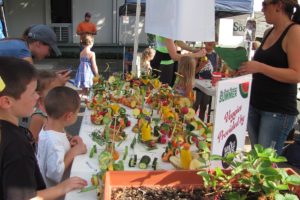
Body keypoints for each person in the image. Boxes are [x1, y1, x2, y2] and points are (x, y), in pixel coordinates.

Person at [0, 57, 87, 200]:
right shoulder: (16, 145)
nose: (38, 97)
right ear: (7, 102)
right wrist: (62, 187)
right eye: (33, 92)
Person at [238, 0, 300, 155]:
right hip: (256, 105)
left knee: (264, 164)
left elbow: (296, 74)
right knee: (256, 159)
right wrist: (246, 68)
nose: (262, 8)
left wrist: (260, 67)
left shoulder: (294, 32)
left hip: (277, 111)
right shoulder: (268, 32)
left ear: (279, 5)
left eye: (265, 4)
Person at [37, 86, 87, 187]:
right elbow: (55, 174)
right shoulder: (54, 142)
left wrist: (68, 144)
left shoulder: (48, 129)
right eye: (77, 113)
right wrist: (73, 152)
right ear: (69, 116)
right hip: (55, 192)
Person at [0, 24, 70, 85]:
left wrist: (52, 76)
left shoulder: (19, 44)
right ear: (38, 44)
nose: (48, 54)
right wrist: (56, 82)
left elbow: (30, 75)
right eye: (50, 50)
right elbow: (33, 84)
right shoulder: (23, 52)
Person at [194, 41, 219, 120]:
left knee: (204, 106)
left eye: (213, 40)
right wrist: (201, 66)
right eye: (209, 39)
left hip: (208, 85)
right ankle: (189, 124)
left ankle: (200, 124)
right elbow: (193, 72)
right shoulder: (198, 53)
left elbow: (215, 71)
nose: (211, 42)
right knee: (195, 105)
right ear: (204, 41)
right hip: (197, 85)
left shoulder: (216, 55)